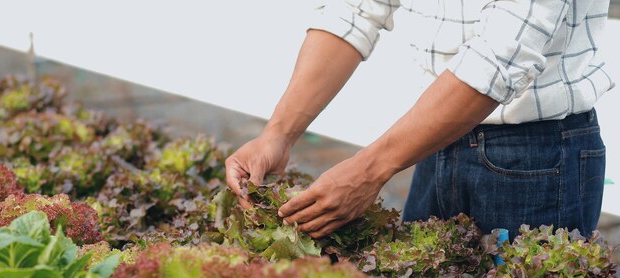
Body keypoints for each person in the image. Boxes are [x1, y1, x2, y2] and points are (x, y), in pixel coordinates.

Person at [225, 0, 614, 240]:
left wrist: (369, 169)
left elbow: (500, 57)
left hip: (537, 161)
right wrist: (277, 134)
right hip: (433, 140)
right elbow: (355, 10)